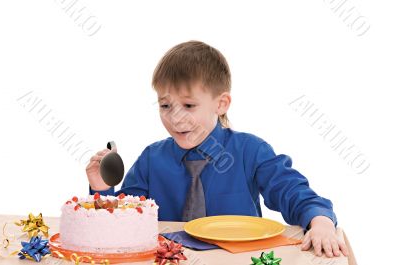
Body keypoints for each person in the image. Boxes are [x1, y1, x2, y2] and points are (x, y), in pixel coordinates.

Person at [86, 40, 348, 258]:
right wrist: (101, 188)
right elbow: (125, 221)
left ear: (221, 104)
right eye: (165, 106)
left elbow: (292, 191)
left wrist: (320, 222)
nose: (176, 118)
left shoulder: (251, 150)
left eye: (188, 105)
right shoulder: (151, 159)